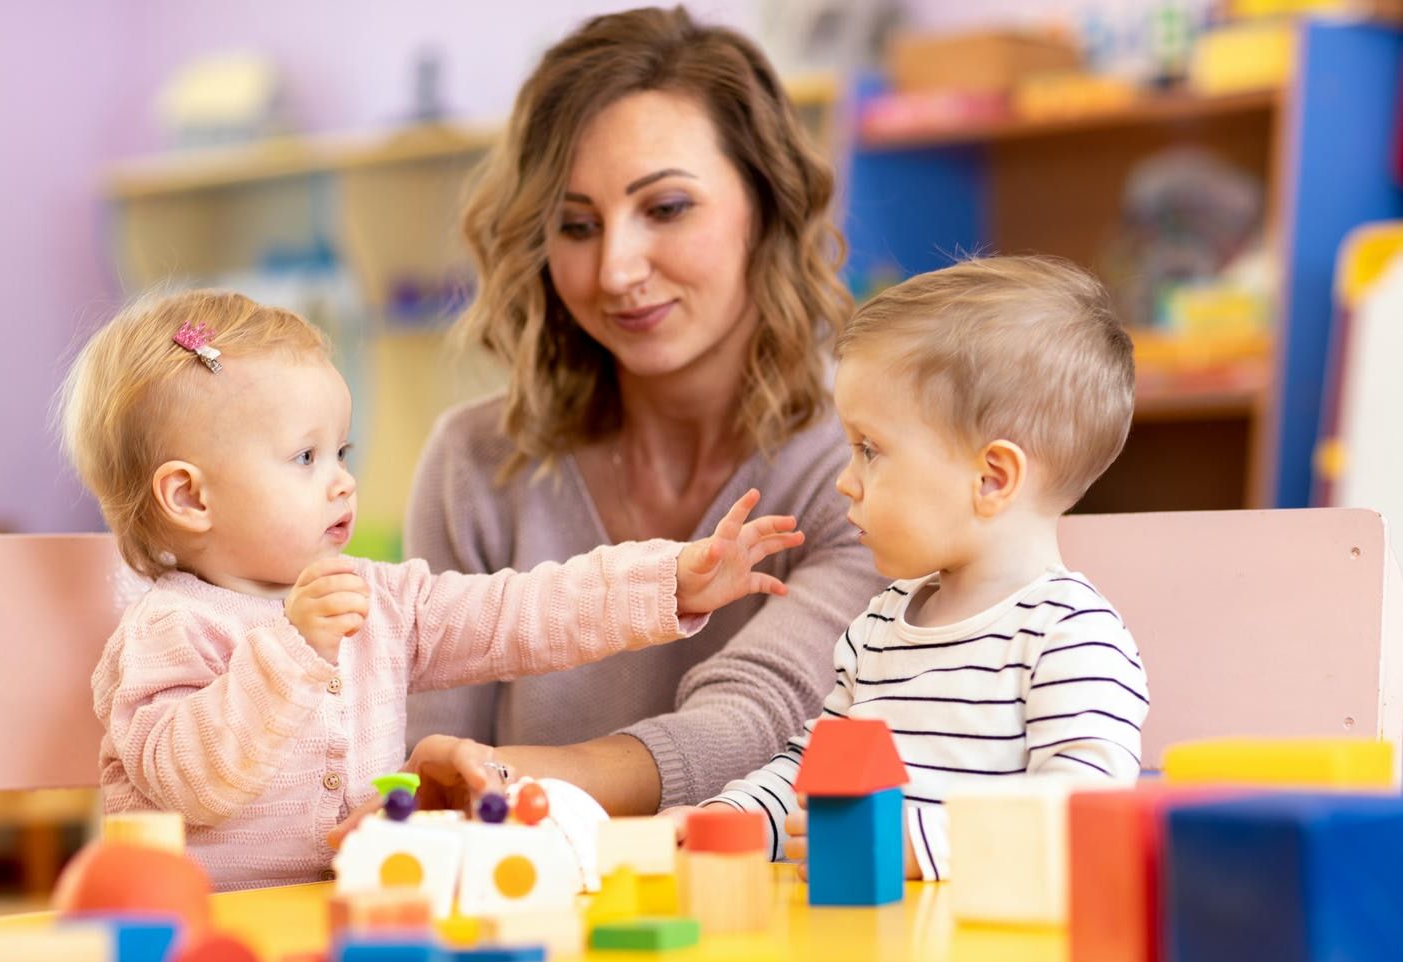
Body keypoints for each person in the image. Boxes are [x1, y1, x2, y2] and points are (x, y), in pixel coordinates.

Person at [56, 288, 803, 890]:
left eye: (340, 450)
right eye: (305, 456)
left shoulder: (378, 597)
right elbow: (192, 783)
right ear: (190, 497)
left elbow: (517, 613)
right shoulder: (169, 629)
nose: (343, 480)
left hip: (358, 904)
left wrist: (668, 581)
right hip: (206, 932)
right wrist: (294, 649)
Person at [402, 6, 883, 817]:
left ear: (765, 204)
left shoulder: (864, 456)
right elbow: (421, 759)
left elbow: (758, 723)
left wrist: (499, 783)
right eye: (575, 225)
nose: (617, 269)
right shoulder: (475, 466)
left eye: (665, 209)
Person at [694, 256, 1149, 880]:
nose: (843, 482)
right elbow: (812, 777)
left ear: (992, 478)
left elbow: (1084, 817)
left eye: (870, 450)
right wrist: (724, 821)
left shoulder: (1070, 636)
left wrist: (922, 845)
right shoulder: (878, 628)